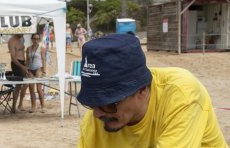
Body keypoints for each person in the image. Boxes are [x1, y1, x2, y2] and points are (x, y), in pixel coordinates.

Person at [77, 33, 227, 147]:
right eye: (92, 103)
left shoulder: (181, 94)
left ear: (142, 89)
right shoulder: (97, 119)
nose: (96, 114)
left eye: (109, 103)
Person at [25, 33, 46, 113]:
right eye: (34, 38)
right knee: (31, 88)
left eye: (37, 38)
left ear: (39, 39)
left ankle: (42, 106)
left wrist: (44, 70)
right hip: (30, 69)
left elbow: (43, 59)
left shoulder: (42, 48)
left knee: (38, 88)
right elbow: (27, 60)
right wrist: (26, 70)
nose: (36, 40)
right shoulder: (28, 48)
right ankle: (33, 106)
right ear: (32, 39)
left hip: (38, 68)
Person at [8, 34, 29, 112]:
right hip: (16, 63)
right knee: (19, 84)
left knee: (26, 83)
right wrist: (22, 67)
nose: (23, 34)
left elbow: (23, 52)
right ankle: (14, 107)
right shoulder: (11, 41)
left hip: (23, 62)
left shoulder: (22, 38)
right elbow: (13, 58)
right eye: (21, 33)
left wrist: (25, 64)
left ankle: (20, 104)